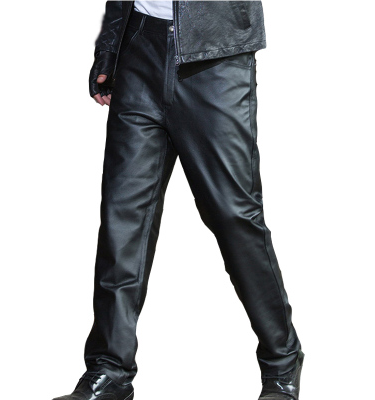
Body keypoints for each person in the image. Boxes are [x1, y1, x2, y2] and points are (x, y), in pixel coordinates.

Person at [53, 2, 305, 400]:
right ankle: (109, 369)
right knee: (123, 221)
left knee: (233, 215)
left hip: (215, 58)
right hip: (139, 50)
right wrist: (110, 45)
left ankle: (281, 361)